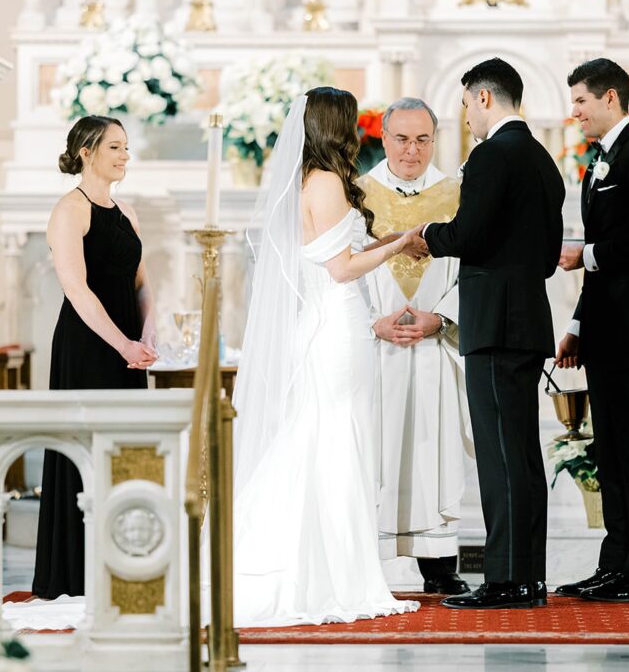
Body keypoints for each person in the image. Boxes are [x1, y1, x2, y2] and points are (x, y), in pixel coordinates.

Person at [231, 87, 422, 627]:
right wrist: (399, 243)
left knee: (317, 435)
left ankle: (321, 567)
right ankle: (338, 576)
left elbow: (329, 257)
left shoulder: (305, 180)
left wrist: (378, 244)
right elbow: (341, 269)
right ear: (336, 126)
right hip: (337, 324)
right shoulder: (329, 182)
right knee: (337, 439)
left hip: (321, 325)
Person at [415, 58, 565, 609]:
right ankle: (528, 576)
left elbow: (468, 233)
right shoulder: (543, 161)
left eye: (465, 104)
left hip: (495, 325)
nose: (466, 117)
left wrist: (427, 234)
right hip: (526, 320)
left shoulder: (491, 155)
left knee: (502, 457)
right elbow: (549, 257)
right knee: (522, 453)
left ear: (483, 98)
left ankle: (507, 581)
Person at [555, 57, 629, 603]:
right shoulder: (598, 161)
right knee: (610, 451)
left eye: (581, 101)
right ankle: (616, 564)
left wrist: (590, 254)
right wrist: (578, 326)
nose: (574, 111)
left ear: (610, 98)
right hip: (603, 329)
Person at [33, 116, 158, 600]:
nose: (125, 155)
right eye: (115, 147)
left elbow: (141, 282)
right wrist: (122, 343)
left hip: (127, 348)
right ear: (87, 151)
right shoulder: (70, 209)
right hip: (88, 347)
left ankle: (119, 566)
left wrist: (146, 331)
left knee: (122, 455)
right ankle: (74, 574)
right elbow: (76, 289)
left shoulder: (127, 211)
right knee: (83, 454)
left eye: (126, 147)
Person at [358, 97, 473, 596]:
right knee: (373, 451)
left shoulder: (457, 193)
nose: (412, 150)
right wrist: (372, 321)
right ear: (383, 139)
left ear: (436, 139)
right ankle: (366, 560)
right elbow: (335, 269)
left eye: (423, 139)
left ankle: (439, 564)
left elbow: (476, 267)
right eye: (402, 138)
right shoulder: (357, 194)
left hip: (434, 345)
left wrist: (440, 317)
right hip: (374, 348)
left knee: (434, 444)